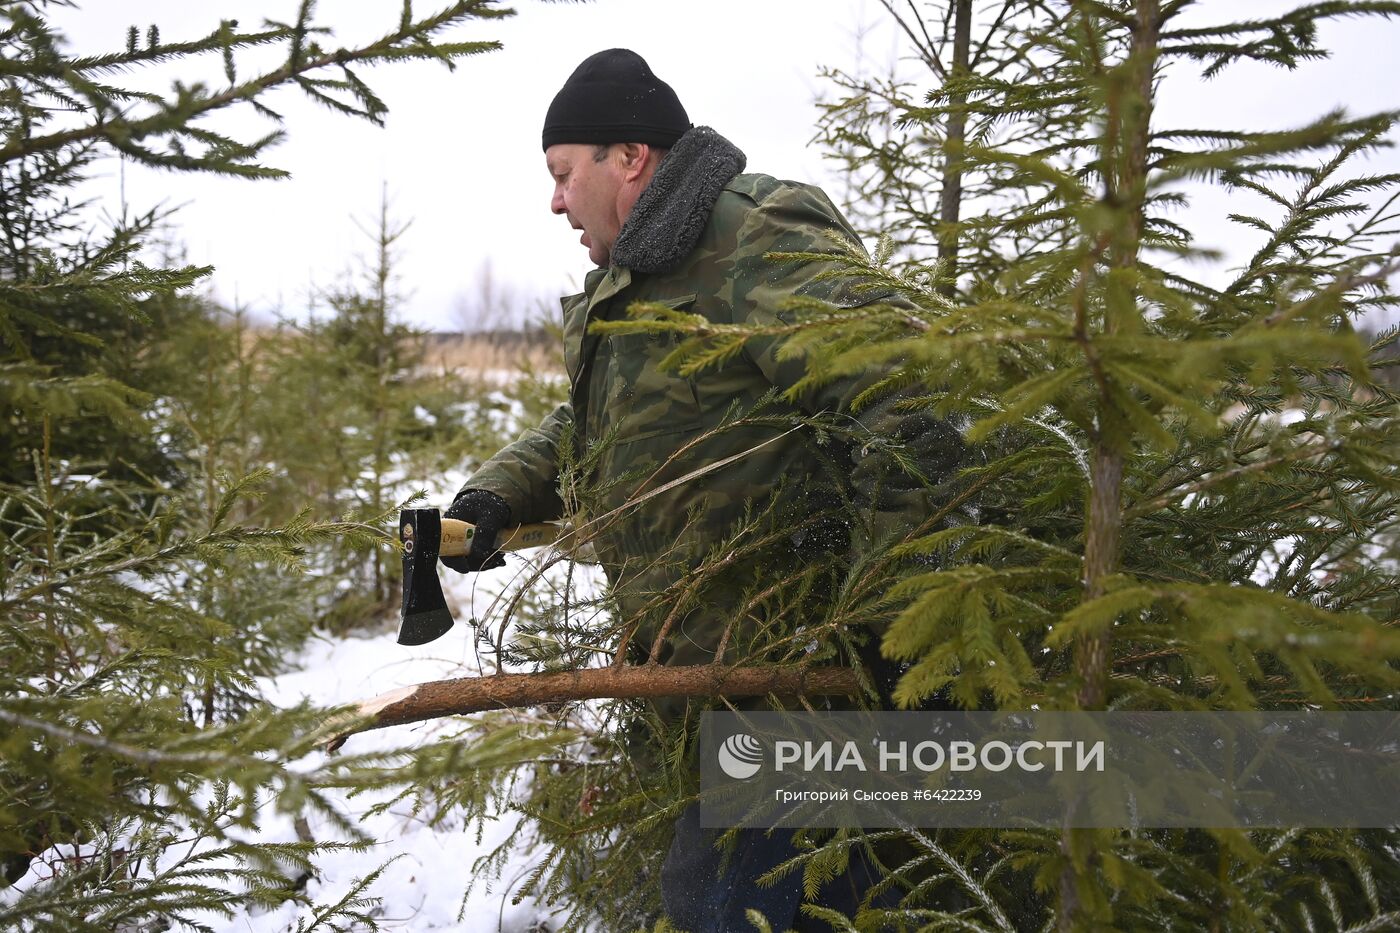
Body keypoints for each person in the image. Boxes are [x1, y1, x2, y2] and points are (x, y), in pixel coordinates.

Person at [444, 48, 962, 932]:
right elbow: (594, 427)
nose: (556, 200)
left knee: (731, 907)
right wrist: (499, 496)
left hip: (799, 687)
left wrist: (893, 626)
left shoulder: (755, 235)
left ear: (631, 159)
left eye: (565, 174)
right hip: (700, 686)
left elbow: (909, 407)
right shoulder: (632, 277)